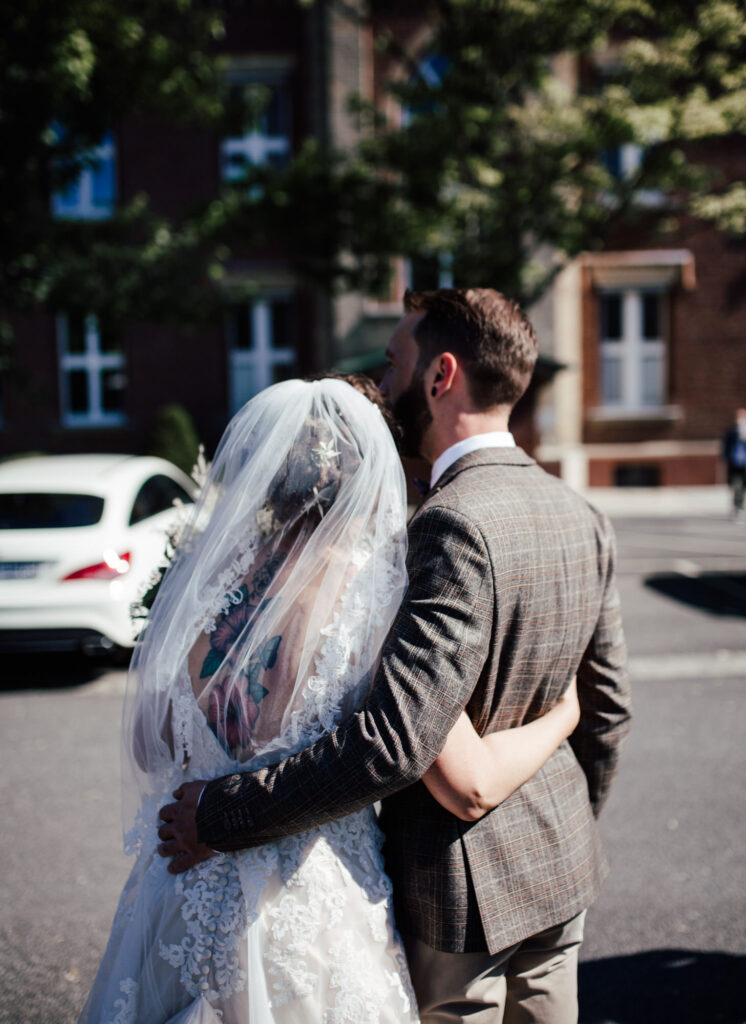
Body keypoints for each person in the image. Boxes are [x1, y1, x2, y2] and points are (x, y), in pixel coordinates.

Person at [159, 289, 632, 1024]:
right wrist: (567, 817)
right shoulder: (583, 512)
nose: (383, 386)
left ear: (440, 377)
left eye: (393, 361)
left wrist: (220, 814)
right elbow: (609, 708)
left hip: (460, 897)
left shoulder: (443, 527)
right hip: (560, 869)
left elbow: (393, 742)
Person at [81, 375, 583, 1024]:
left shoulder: (208, 579)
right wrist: (565, 714)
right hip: (306, 903)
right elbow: (468, 780)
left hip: (181, 886)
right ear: (364, 480)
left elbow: (150, 744)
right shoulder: (371, 598)